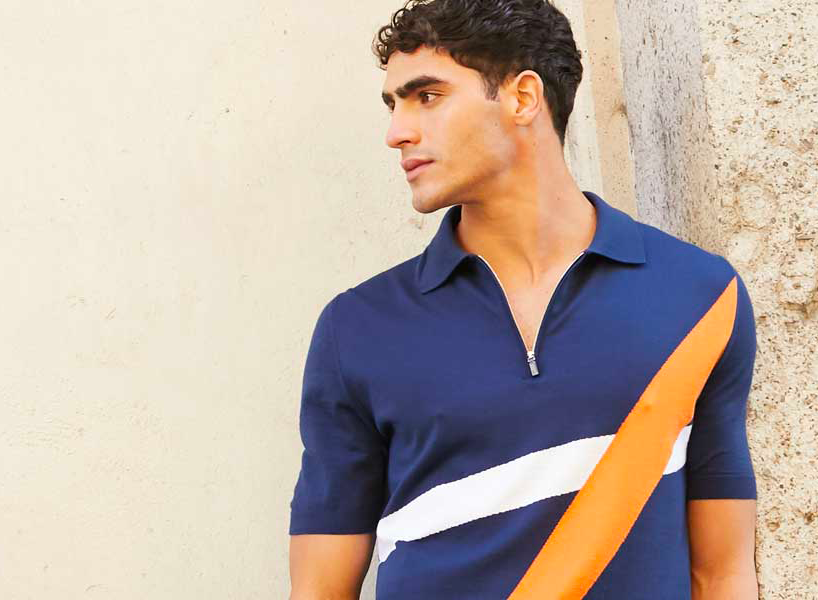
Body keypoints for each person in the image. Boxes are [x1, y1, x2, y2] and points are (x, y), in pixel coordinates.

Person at [287, 1, 759, 598]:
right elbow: (319, 590)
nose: (397, 132)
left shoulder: (699, 296)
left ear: (523, 97)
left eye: (427, 96)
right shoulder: (358, 328)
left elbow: (722, 573)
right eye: (393, 105)